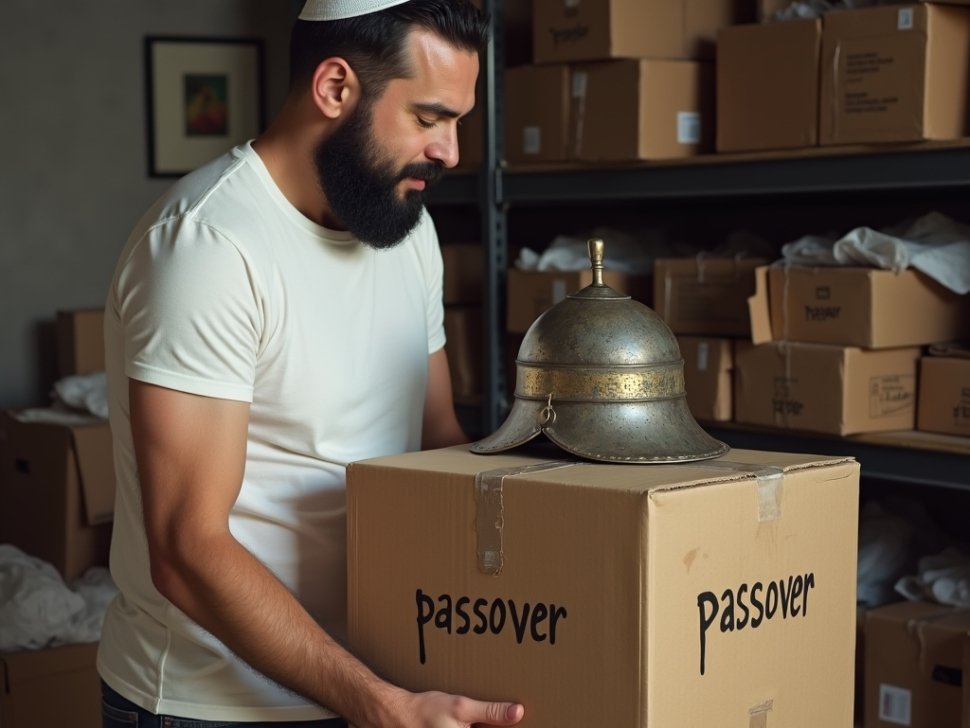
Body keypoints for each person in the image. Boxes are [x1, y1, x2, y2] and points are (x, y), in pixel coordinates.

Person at [97, 0, 525, 726]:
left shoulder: (408, 234)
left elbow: (437, 441)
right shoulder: (208, 247)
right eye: (429, 118)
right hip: (211, 706)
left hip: (371, 679)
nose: (451, 151)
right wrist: (379, 703)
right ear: (334, 88)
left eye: (458, 122)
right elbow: (187, 549)